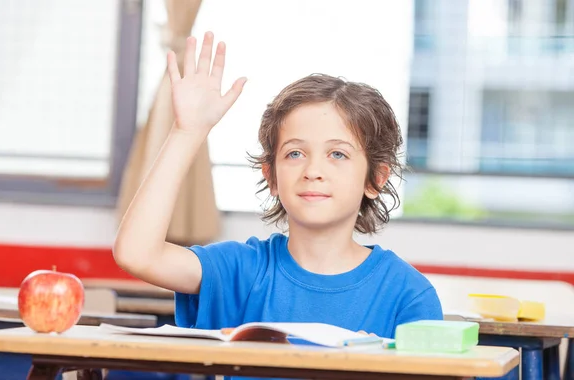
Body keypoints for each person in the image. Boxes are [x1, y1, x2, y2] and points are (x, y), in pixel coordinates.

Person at [113, 31, 443, 380]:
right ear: (271, 175)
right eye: (295, 153)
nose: (313, 171)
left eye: (338, 154)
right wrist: (187, 132)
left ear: (375, 179)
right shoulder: (241, 270)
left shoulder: (407, 294)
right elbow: (137, 254)